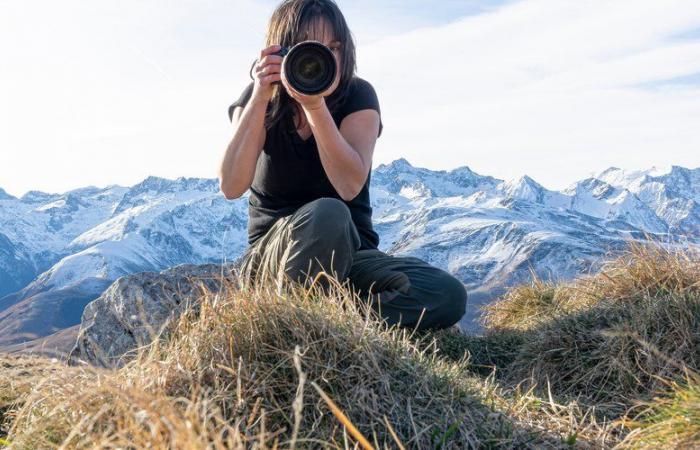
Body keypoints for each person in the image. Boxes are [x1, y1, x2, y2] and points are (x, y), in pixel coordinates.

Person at [219, 0, 467, 330]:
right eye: (309, 48)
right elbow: (231, 185)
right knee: (328, 214)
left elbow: (348, 185)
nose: (323, 59)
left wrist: (315, 107)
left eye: (333, 47)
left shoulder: (357, 95)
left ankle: (333, 327)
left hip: (353, 256)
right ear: (281, 49)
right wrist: (262, 95)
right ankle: (288, 326)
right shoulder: (258, 98)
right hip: (275, 258)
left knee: (445, 294)